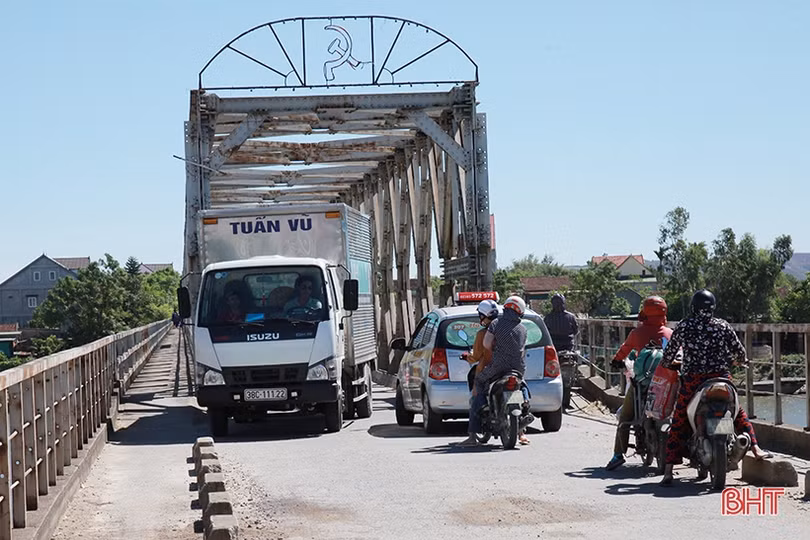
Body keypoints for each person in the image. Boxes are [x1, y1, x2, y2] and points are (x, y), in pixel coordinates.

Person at [660, 289, 772, 486]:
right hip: (722, 378)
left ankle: (668, 470)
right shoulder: (723, 325)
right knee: (738, 414)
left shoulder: (684, 326)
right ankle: (756, 448)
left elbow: (669, 354)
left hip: (694, 381)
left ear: (693, 307)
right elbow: (740, 352)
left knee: (678, 420)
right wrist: (740, 361)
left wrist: (669, 364)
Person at [605, 296, 673, 470]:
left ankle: (618, 454)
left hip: (641, 385)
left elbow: (623, 352)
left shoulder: (637, 334)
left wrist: (616, 361)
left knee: (625, 418)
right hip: (665, 386)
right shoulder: (669, 334)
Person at [459, 295, 528, 447]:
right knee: (522, 384)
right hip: (518, 368)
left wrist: (499, 352)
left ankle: (474, 430)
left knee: (479, 382)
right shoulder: (523, 328)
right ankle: (526, 405)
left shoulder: (496, 324)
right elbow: (522, 350)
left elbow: (487, 345)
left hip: (498, 367)